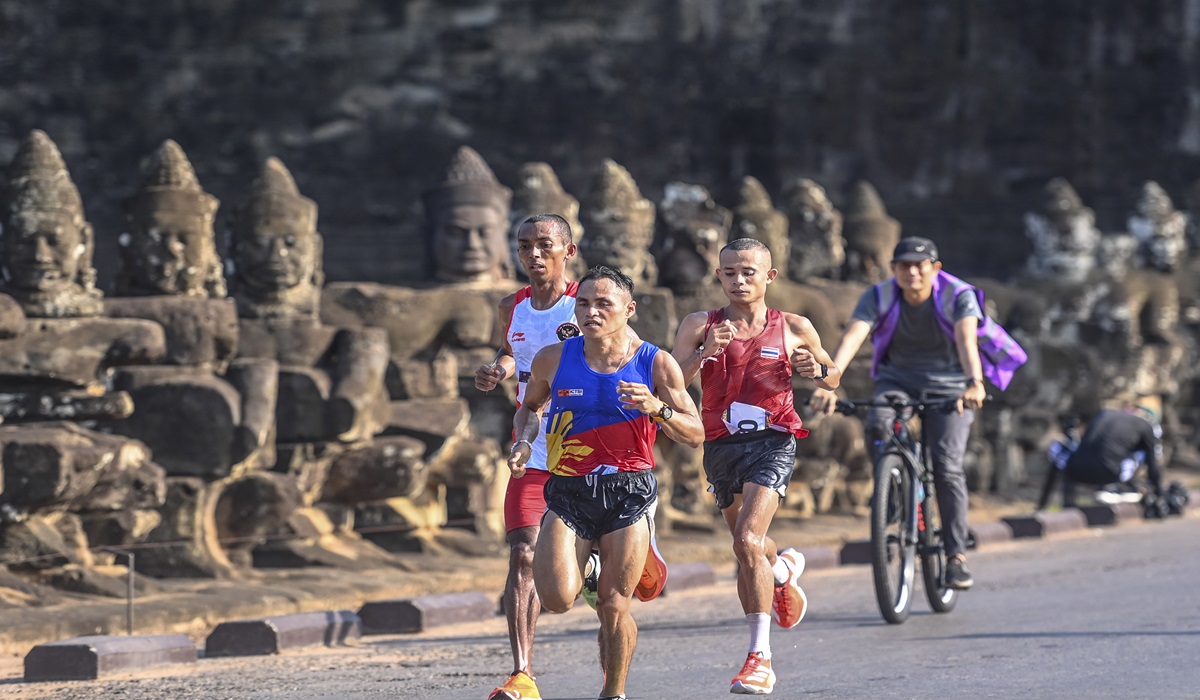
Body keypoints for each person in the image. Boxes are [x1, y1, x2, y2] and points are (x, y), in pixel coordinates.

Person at [509, 265, 704, 700]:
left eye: (603, 304)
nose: (590, 312)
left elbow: (695, 434)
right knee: (557, 599)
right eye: (583, 303)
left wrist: (657, 409)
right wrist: (523, 442)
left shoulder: (655, 362)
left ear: (629, 309)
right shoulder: (552, 358)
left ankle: (613, 693)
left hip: (628, 490)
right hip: (569, 489)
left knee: (615, 605)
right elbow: (529, 408)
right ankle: (592, 568)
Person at [671, 237, 839, 695]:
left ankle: (759, 658)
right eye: (729, 273)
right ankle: (782, 571)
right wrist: (704, 353)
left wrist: (815, 370)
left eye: (749, 272)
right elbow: (670, 382)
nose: (739, 280)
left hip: (774, 440)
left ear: (770, 276)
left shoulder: (794, 325)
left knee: (747, 540)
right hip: (720, 444)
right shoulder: (699, 324)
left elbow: (832, 374)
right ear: (718, 276)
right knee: (749, 549)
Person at [810, 236, 988, 591]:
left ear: (935, 268)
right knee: (878, 425)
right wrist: (828, 383)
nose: (912, 273)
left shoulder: (958, 296)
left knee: (947, 465)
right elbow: (852, 337)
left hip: (952, 387)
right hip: (898, 383)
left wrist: (975, 383)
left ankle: (955, 556)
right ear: (893, 269)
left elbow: (967, 340)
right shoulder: (879, 296)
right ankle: (892, 492)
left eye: (919, 266)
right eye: (904, 266)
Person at [474, 213, 580, 700]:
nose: (533, 255)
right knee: (522, 553)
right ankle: (522, 673)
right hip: (531, 443)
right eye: (523, 246)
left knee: (579, 571)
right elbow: (512, 352)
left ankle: (593, 569)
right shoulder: (511, 305)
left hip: (585, 447)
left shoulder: (587, 304)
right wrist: (497, 370)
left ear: (568, 251)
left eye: (543, 245)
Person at [1038, 406, 1164, 511]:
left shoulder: (1103, 414)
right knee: (1144, 452)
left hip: (1076, 472)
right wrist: (1159, 494)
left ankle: (1046, 505)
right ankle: (1120, 489)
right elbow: (1152, 465)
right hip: (1110, 475)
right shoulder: (1145, 426)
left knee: (1059, 445)